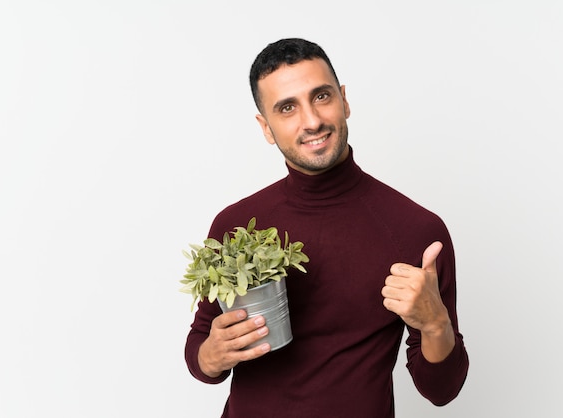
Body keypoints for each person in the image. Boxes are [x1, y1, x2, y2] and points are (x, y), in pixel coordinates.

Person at [185, 38, 469, 418]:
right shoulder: (234, 226)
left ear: (344, 100)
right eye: (287, 108)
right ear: (266, 127)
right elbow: (201, 351)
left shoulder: (416, 230)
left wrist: (436, 325)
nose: (312, 120)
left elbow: (441, 390)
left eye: (321, 96)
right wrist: (211, 354)